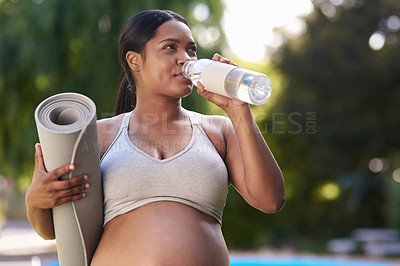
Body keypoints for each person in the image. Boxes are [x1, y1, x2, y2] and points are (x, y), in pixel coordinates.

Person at [25, 9, 285, 265]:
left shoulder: (219, 130)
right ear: (134, 60)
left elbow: (271, 200)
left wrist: (238, 110)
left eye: (191, 49)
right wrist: (35, 201)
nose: (185, 59)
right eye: (170, 48)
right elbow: (53, 228)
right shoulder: (100, 135)